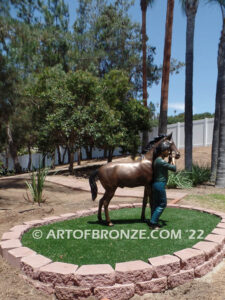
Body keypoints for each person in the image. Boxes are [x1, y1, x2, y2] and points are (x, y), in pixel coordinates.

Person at [149, 141, 176, 229]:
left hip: (156, 185)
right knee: (162, 204)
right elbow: (174, 168)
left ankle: (153, 222)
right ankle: (153, 223)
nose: (169, 152)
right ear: (163, 150)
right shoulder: (160, 161)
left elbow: (167, 166)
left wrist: (170, 159)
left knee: (156, 204)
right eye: (167, 150)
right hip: (160, 185)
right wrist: (173, 159)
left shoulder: (157, 160)